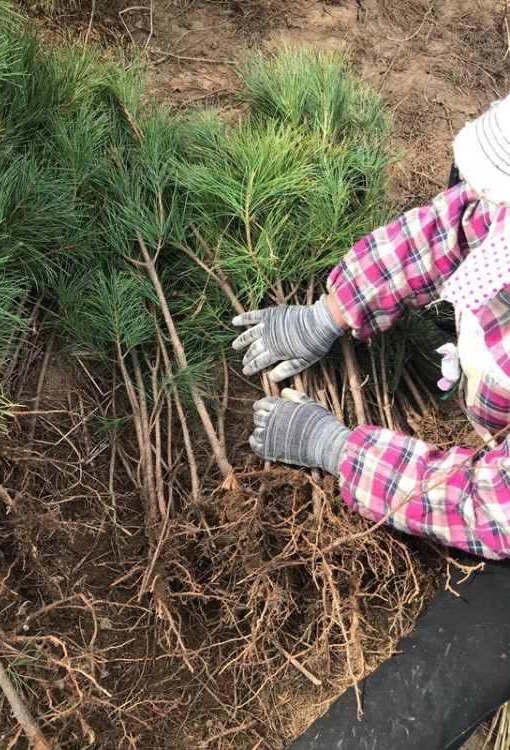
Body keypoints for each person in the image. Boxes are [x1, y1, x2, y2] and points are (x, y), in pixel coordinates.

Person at [232, 95, 510, 749]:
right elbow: (454, 228)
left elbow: (491, 506)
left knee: (423, 695)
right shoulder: (496, 219)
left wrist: (340, 449)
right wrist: (331, 311)